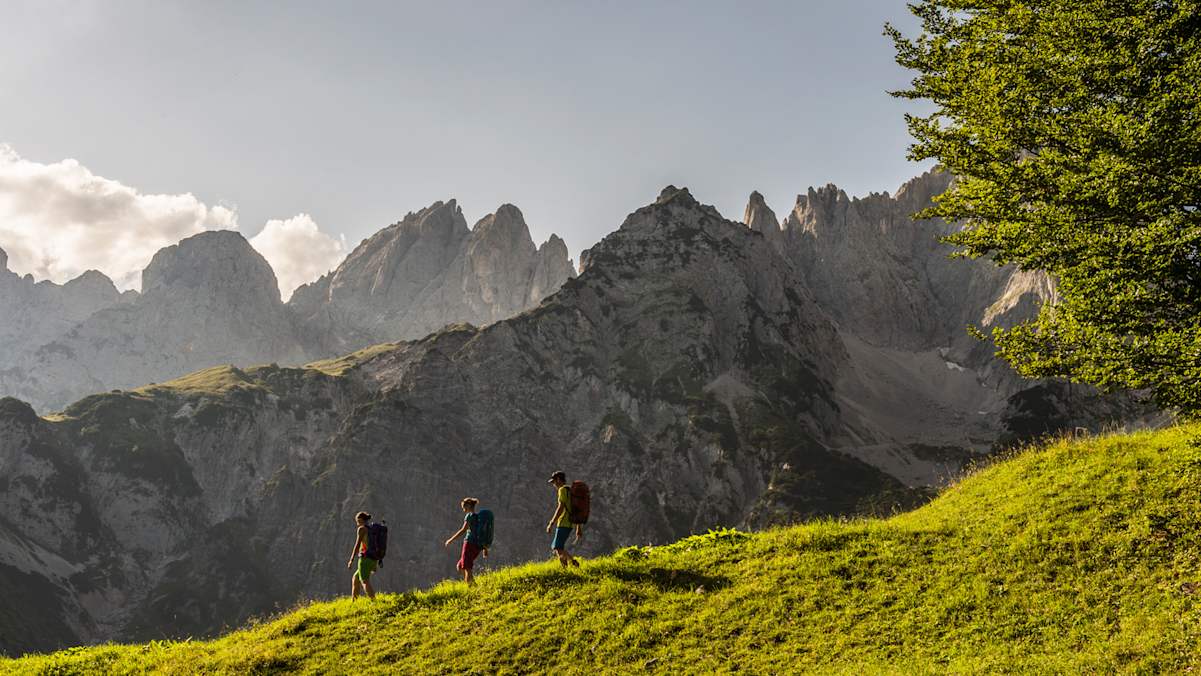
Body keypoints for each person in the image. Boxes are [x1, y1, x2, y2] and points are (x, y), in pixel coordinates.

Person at [444, 497, 488, 584]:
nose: (463, 510)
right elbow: (482, 533)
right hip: (477, 546)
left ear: (468, 506)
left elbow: (463, 530)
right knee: (460, 566)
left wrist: (451, 540)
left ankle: (471, 586)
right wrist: (485, 548)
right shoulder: (478, 517)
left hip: (469, 544)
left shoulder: (469, 516)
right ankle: (470, 583)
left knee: (467, 567)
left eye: (464, 507)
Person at [546, 471, 581, 568]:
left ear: (558, 480)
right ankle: (565, 568)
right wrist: (578, 527)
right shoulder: (571, 491)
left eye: (554, 482)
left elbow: (560, 508)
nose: (554, 485)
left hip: (563, 523)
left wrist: (551, 523)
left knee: (557, 547)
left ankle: (573, 562)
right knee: (559, 547)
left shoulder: (562, 490)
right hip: (570, 524)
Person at [346, 511, 377, 600]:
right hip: (372, 559)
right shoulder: (372, 529)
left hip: (364, 559)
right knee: (355, 579)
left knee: (364, 581)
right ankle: (354, 602)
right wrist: (375, 562)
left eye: (358, 521)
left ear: (361, 520)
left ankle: (374, 602)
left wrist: (351, 560)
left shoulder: (362, 529)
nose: (357, 523)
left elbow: (357, 545)